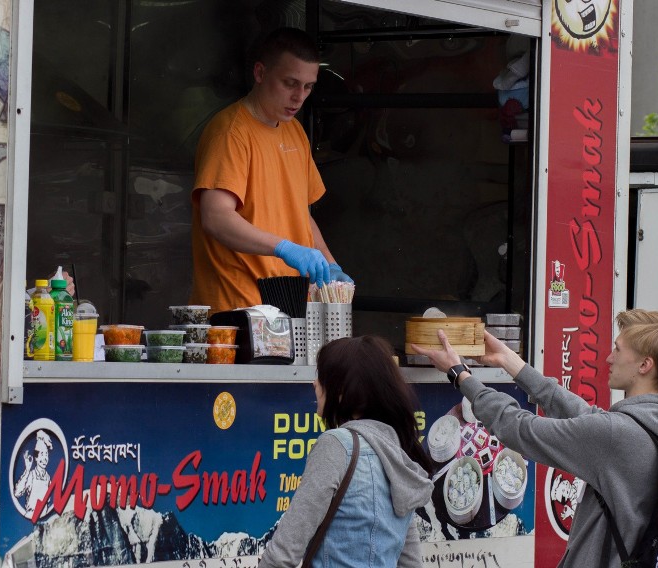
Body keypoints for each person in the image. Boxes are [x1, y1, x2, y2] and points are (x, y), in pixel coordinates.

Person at [412, 309, 658, 568]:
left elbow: (521, 429)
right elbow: (583, 414)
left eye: (618, 349)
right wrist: (510, 362)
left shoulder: (617, 435)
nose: (609, 357)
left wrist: (460, 375)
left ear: (644, 365)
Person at [191, 27, 352, 314]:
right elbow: (216, 218)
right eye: (290, 83)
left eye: (308, 86)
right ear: (260, 73)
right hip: (238, 308)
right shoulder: (231, 133)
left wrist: (330, 263)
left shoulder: (295, 132)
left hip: (287, 303)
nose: (299, 96)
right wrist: (284, 248)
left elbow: (300, 213)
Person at [258, 336, 433, 568]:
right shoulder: (397, 452)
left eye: (321, 376)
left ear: (340, 390)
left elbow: (283, 553)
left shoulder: (335, 445)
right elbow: (411, 563)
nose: (314, 384)